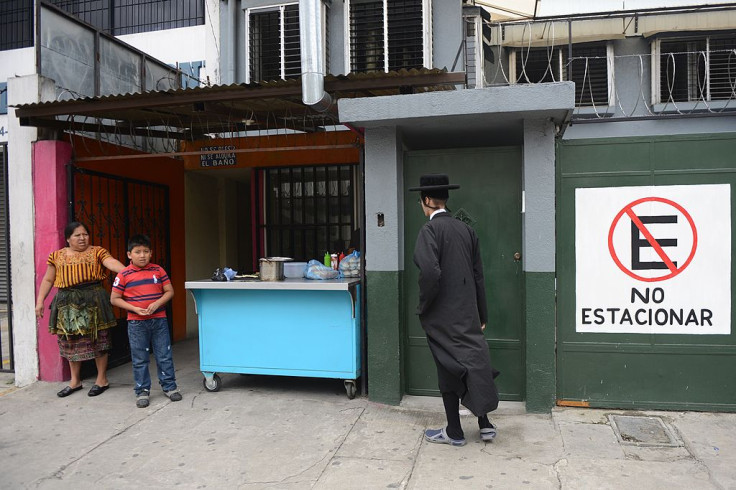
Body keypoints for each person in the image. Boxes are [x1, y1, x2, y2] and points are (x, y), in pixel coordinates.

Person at [409, 174, 500, 447]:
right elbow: (478, 276)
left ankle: (455, 431)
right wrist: (482, 314)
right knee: (475, 359)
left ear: (426, 200)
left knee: (447, 368)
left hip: (442, 314)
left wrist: (425, 305)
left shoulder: (429, 231)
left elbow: (429, 273)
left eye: (421, 202)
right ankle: (485, 425)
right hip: (468, 311)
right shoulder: (466, 230)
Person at [35, 221, 125, 397]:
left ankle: (101, 379)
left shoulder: (98, 251)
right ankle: (75, 381)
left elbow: (111, 263)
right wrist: (40, 302)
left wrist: (128, 272)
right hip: (66, 302)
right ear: (68, 238)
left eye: (85, 234)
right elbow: (47, 280)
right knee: (69, 341)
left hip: (94, 299)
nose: (82, 238)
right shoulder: (56, 256)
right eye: (77, 235)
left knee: (99, 339)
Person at [111, 234, 181, 408]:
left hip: (159, 320)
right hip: (136, 323)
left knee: (164, 355)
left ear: (151, 253)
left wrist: (157, 303)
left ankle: (169, 386)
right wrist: (134, 309)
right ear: (129, 255)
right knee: (140, 358)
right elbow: (114, 298)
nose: (142, 255)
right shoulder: (124, 275)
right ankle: (142, 390)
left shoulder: (158, 270)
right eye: (137, 252)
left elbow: (169, 291)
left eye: (146, 251)